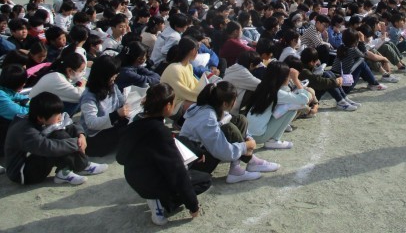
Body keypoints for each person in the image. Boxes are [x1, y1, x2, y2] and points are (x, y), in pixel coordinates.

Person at [116, 83, 210, 226]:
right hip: (151, 183)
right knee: (205, 179)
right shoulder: (159, 131)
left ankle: (156, 197)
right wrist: (193, 205)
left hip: (134, 176)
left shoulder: (136, 121)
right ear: (167, 106)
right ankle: (162, 202)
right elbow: (178, 173)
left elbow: (120, 158)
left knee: (187, 154)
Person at [179, 82, 279, 184]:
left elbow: (228, 118)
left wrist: (248, 137)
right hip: (196, 164)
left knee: (240, 120)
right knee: (229, 129)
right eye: (234, 100)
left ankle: (236, 169)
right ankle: (252, 161)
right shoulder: (207, 117)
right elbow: (223, 152)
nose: (235, 103)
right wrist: (245, 146)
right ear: (225, 104)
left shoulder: (213, 106)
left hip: (203, 150)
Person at [4, 92, 108, 186]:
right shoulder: (24, 129)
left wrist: (81, 135)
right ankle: (82, 166)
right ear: (40, 118)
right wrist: (76, 143)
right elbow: (47, 147)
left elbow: (69, 123)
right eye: (57, 115)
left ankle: (64, 172)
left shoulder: (38, 117)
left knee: (66, 129)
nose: (59, 116)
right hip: (23, 173)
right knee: (59, 136)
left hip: (35, 157)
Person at [246, 61, 312, 149]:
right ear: (282, 78)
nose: (289, 79)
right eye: (288, 77)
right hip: (259, 137)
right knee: (292, 108)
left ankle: (278, 128)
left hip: (248, 134)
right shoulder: (277, 93)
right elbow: (304, 100)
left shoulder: (263, 86)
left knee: (287, 104)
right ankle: (273, 141)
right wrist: (296, 80)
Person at [79, 56, 130, 156]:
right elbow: (91, 123)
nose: (116, 76)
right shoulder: (89, 96)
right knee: (126, 135)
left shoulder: (112, 86)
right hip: (94, 135)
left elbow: (122, 101)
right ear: (103, 75)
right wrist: (116, 114)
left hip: (110, 125)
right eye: (113, 74)